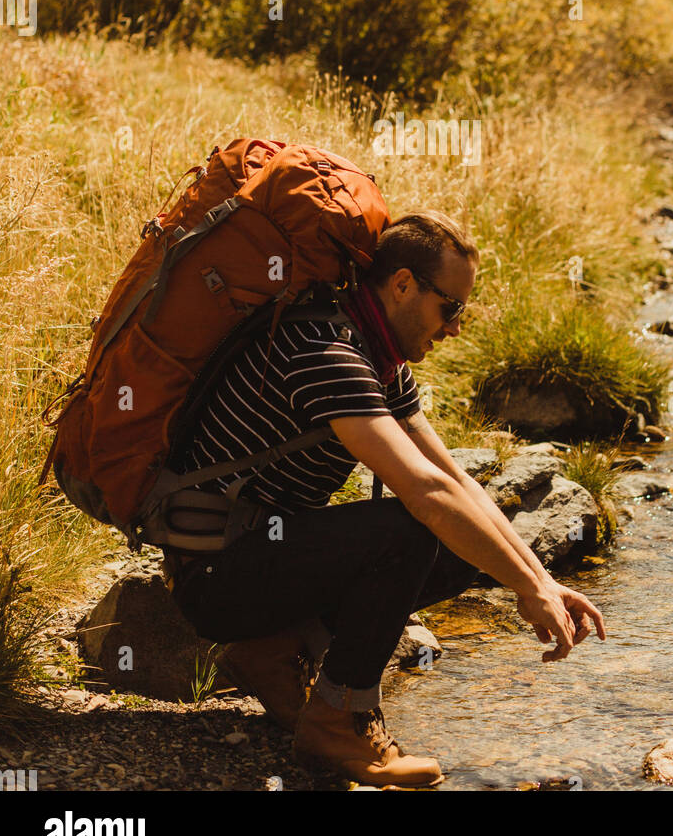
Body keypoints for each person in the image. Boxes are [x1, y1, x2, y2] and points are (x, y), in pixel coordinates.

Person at [164, 210, 606, 787]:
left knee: (458, 540)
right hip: (215, 578)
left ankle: (273, 648)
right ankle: (337, 717)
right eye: (451, 308)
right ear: (402, 285)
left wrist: (540, 581)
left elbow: (458, 481)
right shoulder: (326, 350)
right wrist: (526, 587)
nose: (454, 329)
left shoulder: (376, 353)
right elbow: (425, 492)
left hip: (258, 554)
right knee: (416, 528)